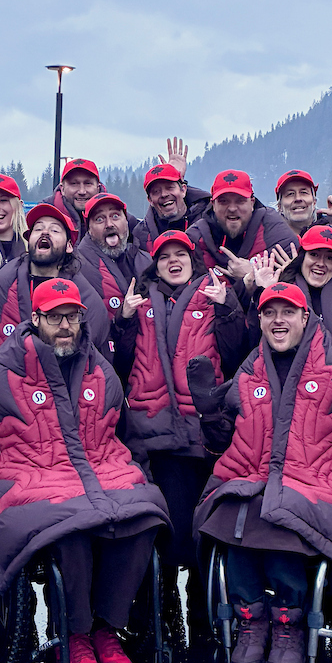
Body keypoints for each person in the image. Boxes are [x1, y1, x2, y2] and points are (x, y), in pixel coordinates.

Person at [0, 277, 169, 663]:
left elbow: (123, 433)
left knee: (142, 519)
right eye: (55, 317)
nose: (65, 325)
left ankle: (106, 630)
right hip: (29, 475)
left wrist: (141, 478)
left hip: (99, 470)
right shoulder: (4, 369)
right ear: (36, 318)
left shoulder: (100, 368)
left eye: (73, 317)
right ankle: (75, 635)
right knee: (71, 530)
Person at [188, 281, 332, 663]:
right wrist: (210, 416)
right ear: (260, 320)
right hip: (252, 477)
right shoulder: (248, 372)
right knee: (236, 515)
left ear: (305, 318)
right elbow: (220, 444)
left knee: (281, 515)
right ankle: (250, 621)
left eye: (287, 313)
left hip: (320, 478)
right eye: (269, 313)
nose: (278, 321)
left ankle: (288, 625)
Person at [112, 230, 247, 633]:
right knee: (167, 530)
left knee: (204, 528)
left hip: (205, 433)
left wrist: (228, 312)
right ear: (155, 262)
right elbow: (122, 361)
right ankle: (164, 606)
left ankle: (202, 609)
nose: (174, 260)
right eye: (165, 255)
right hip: (155, 433)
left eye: (181, 254)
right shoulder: (141, 299)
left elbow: (237, 351)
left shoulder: (215, 291)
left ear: (193, 258)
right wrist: (123, 323)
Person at [0, 202, 110, 356]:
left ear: (69, 246)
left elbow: (95, 356)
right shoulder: (1, 287)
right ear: (28, 241)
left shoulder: (87, 298)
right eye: (38, 229)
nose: (45, 232)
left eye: (55, 230)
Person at [187, 170, 298, 289]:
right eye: (224, 201)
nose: (232, 208)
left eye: (240, 201)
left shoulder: (274, 231)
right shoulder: (196, 238)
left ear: (252, 203)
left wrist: (252, 274)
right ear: (213, 205)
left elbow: (295, 287)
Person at [74, 193, 148, 320]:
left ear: (126, 220)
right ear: (89, 229)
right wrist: (122, 316)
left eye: (115, 216)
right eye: (99, 219)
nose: (109, 224)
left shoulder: (146, 260)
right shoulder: (77, 268)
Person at [130, 139, 210, 252]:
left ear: (183, 190)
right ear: (150, 200)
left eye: (169, 187)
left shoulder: (208, 218)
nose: (164, 194)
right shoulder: (141, 235)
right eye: (156, 191)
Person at [46, 157, 103, 239]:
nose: (82, 191)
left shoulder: (116, 213)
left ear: (98, 187)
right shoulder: (45, 212)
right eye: (74, 183)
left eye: (88, 183)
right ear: (62, 189)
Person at [275, 170, 332, 237]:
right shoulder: (269, 240)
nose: (298, 198)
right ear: (279, 206)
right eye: (290, 194)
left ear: (314, 202)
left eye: (303, 192)